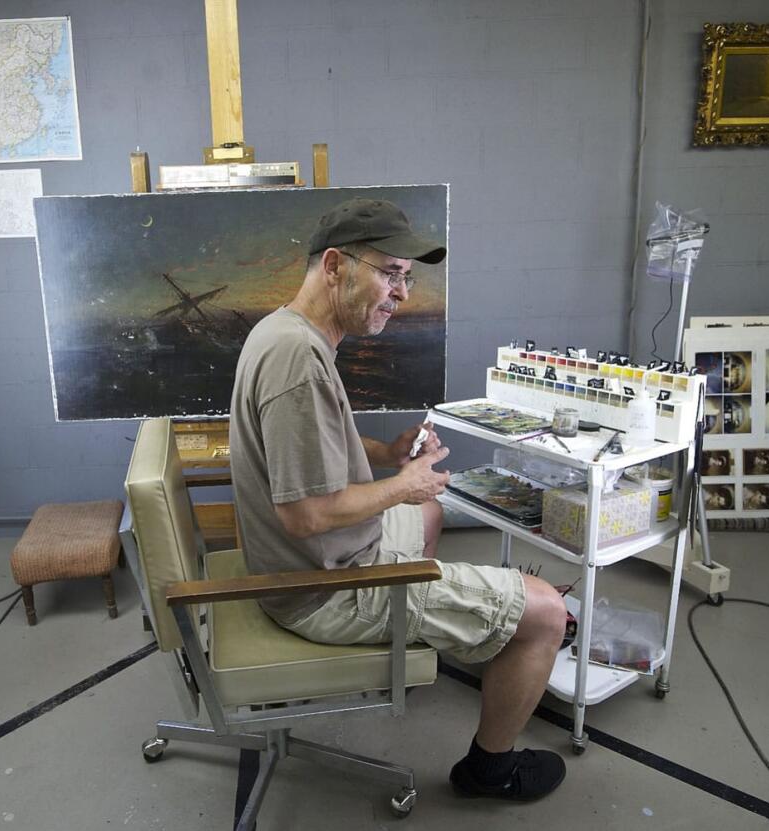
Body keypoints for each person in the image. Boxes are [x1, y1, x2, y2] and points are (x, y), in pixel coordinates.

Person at [229, 198, 569, 802]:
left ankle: (413, 639)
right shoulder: (296, 361)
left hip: (310, 564)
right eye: (390, 273)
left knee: (429, 512)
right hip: (323, 589)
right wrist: (403, 485)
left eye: (406, 277)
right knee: (545, 612)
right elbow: (304, 514)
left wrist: (388, 454)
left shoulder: (286, 332)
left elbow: (309, 447)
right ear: (335, 265)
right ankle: (489, 772)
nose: (403, 294)